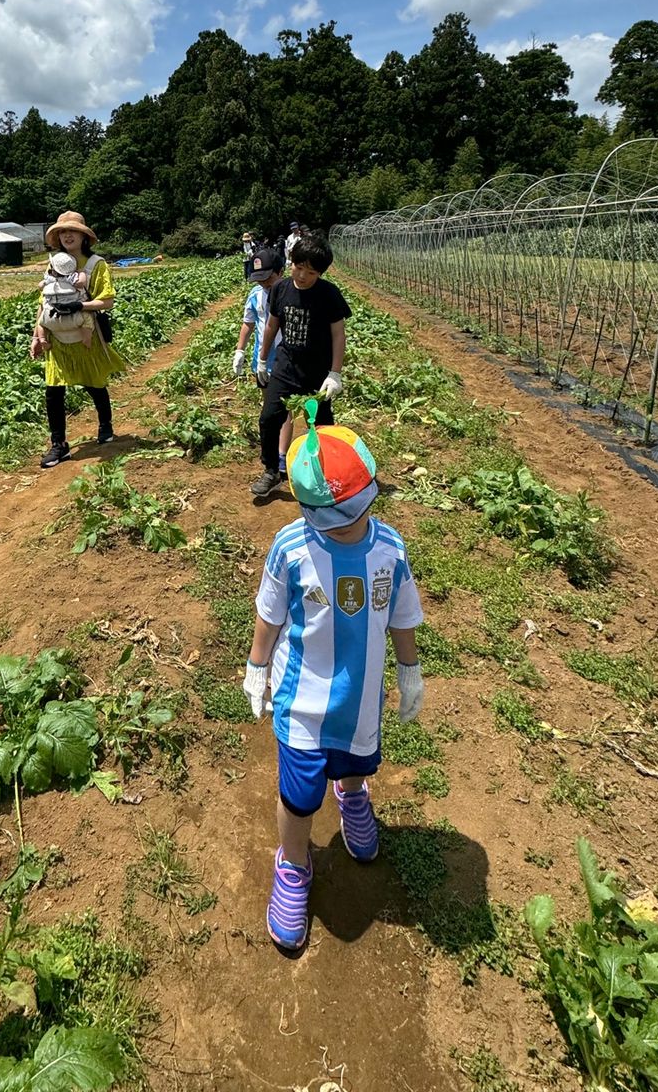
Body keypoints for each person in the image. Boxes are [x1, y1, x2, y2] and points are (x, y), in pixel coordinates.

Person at [243, 407, 426, 951]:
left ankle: (352, 798)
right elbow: (270, 613)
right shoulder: (291, 548)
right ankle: (294, 866)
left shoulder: (389, 550)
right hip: (302, 700)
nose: (347, 527)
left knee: (354, 763)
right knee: (299, 795)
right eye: (333, 518)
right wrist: (257, 665)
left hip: (359, 700)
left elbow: (402, 614)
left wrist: (410, 669)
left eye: (355, 514)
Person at [250, 232, 349, 499]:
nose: (302, 275)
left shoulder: (329, 294)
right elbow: (272, 325)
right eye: (298, 267)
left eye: (311, 272)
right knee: (269, 418)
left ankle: (324, 473)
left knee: (320, 425)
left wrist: (335, 373)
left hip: (317, 371)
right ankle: (271, 470)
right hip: (285, 367)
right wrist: (262, 358)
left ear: (320, 274)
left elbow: (338, 334)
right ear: (290, 261)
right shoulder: (280, 289)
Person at [29, 211, 124, 467]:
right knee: (53, 390)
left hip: (86, 334)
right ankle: (58, 444)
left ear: (84, 236)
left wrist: (79, 306)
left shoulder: (96, 265)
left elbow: (108, 301)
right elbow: (44, 301)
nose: (67, 235)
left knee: (94, 383)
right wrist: (37, 335)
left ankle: (105, 425)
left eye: (72, 231)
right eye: (62, 232)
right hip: (57, 337)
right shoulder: (53, 264)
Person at [231, 246, 293, 476]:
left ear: (281, 271)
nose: (265, 284)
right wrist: (240, 350)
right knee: (269, 404)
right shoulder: (256, 295)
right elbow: (248, 323)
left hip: (287, 359)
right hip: (263, 358)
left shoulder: (291, 294)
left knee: (285, 407)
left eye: (269, 278)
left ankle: (282, 455)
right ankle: (274, 448)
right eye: (260, 280)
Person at [39, 251, 95, 347]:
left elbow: (40, 286)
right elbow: (81, 283)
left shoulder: (49, 279)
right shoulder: (71, 278)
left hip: (50, 316)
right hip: (73, 316)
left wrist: (45, 283)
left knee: (40, 323)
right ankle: (87, 339)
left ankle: (42, 339)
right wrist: (81, 272)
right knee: (88, 319)